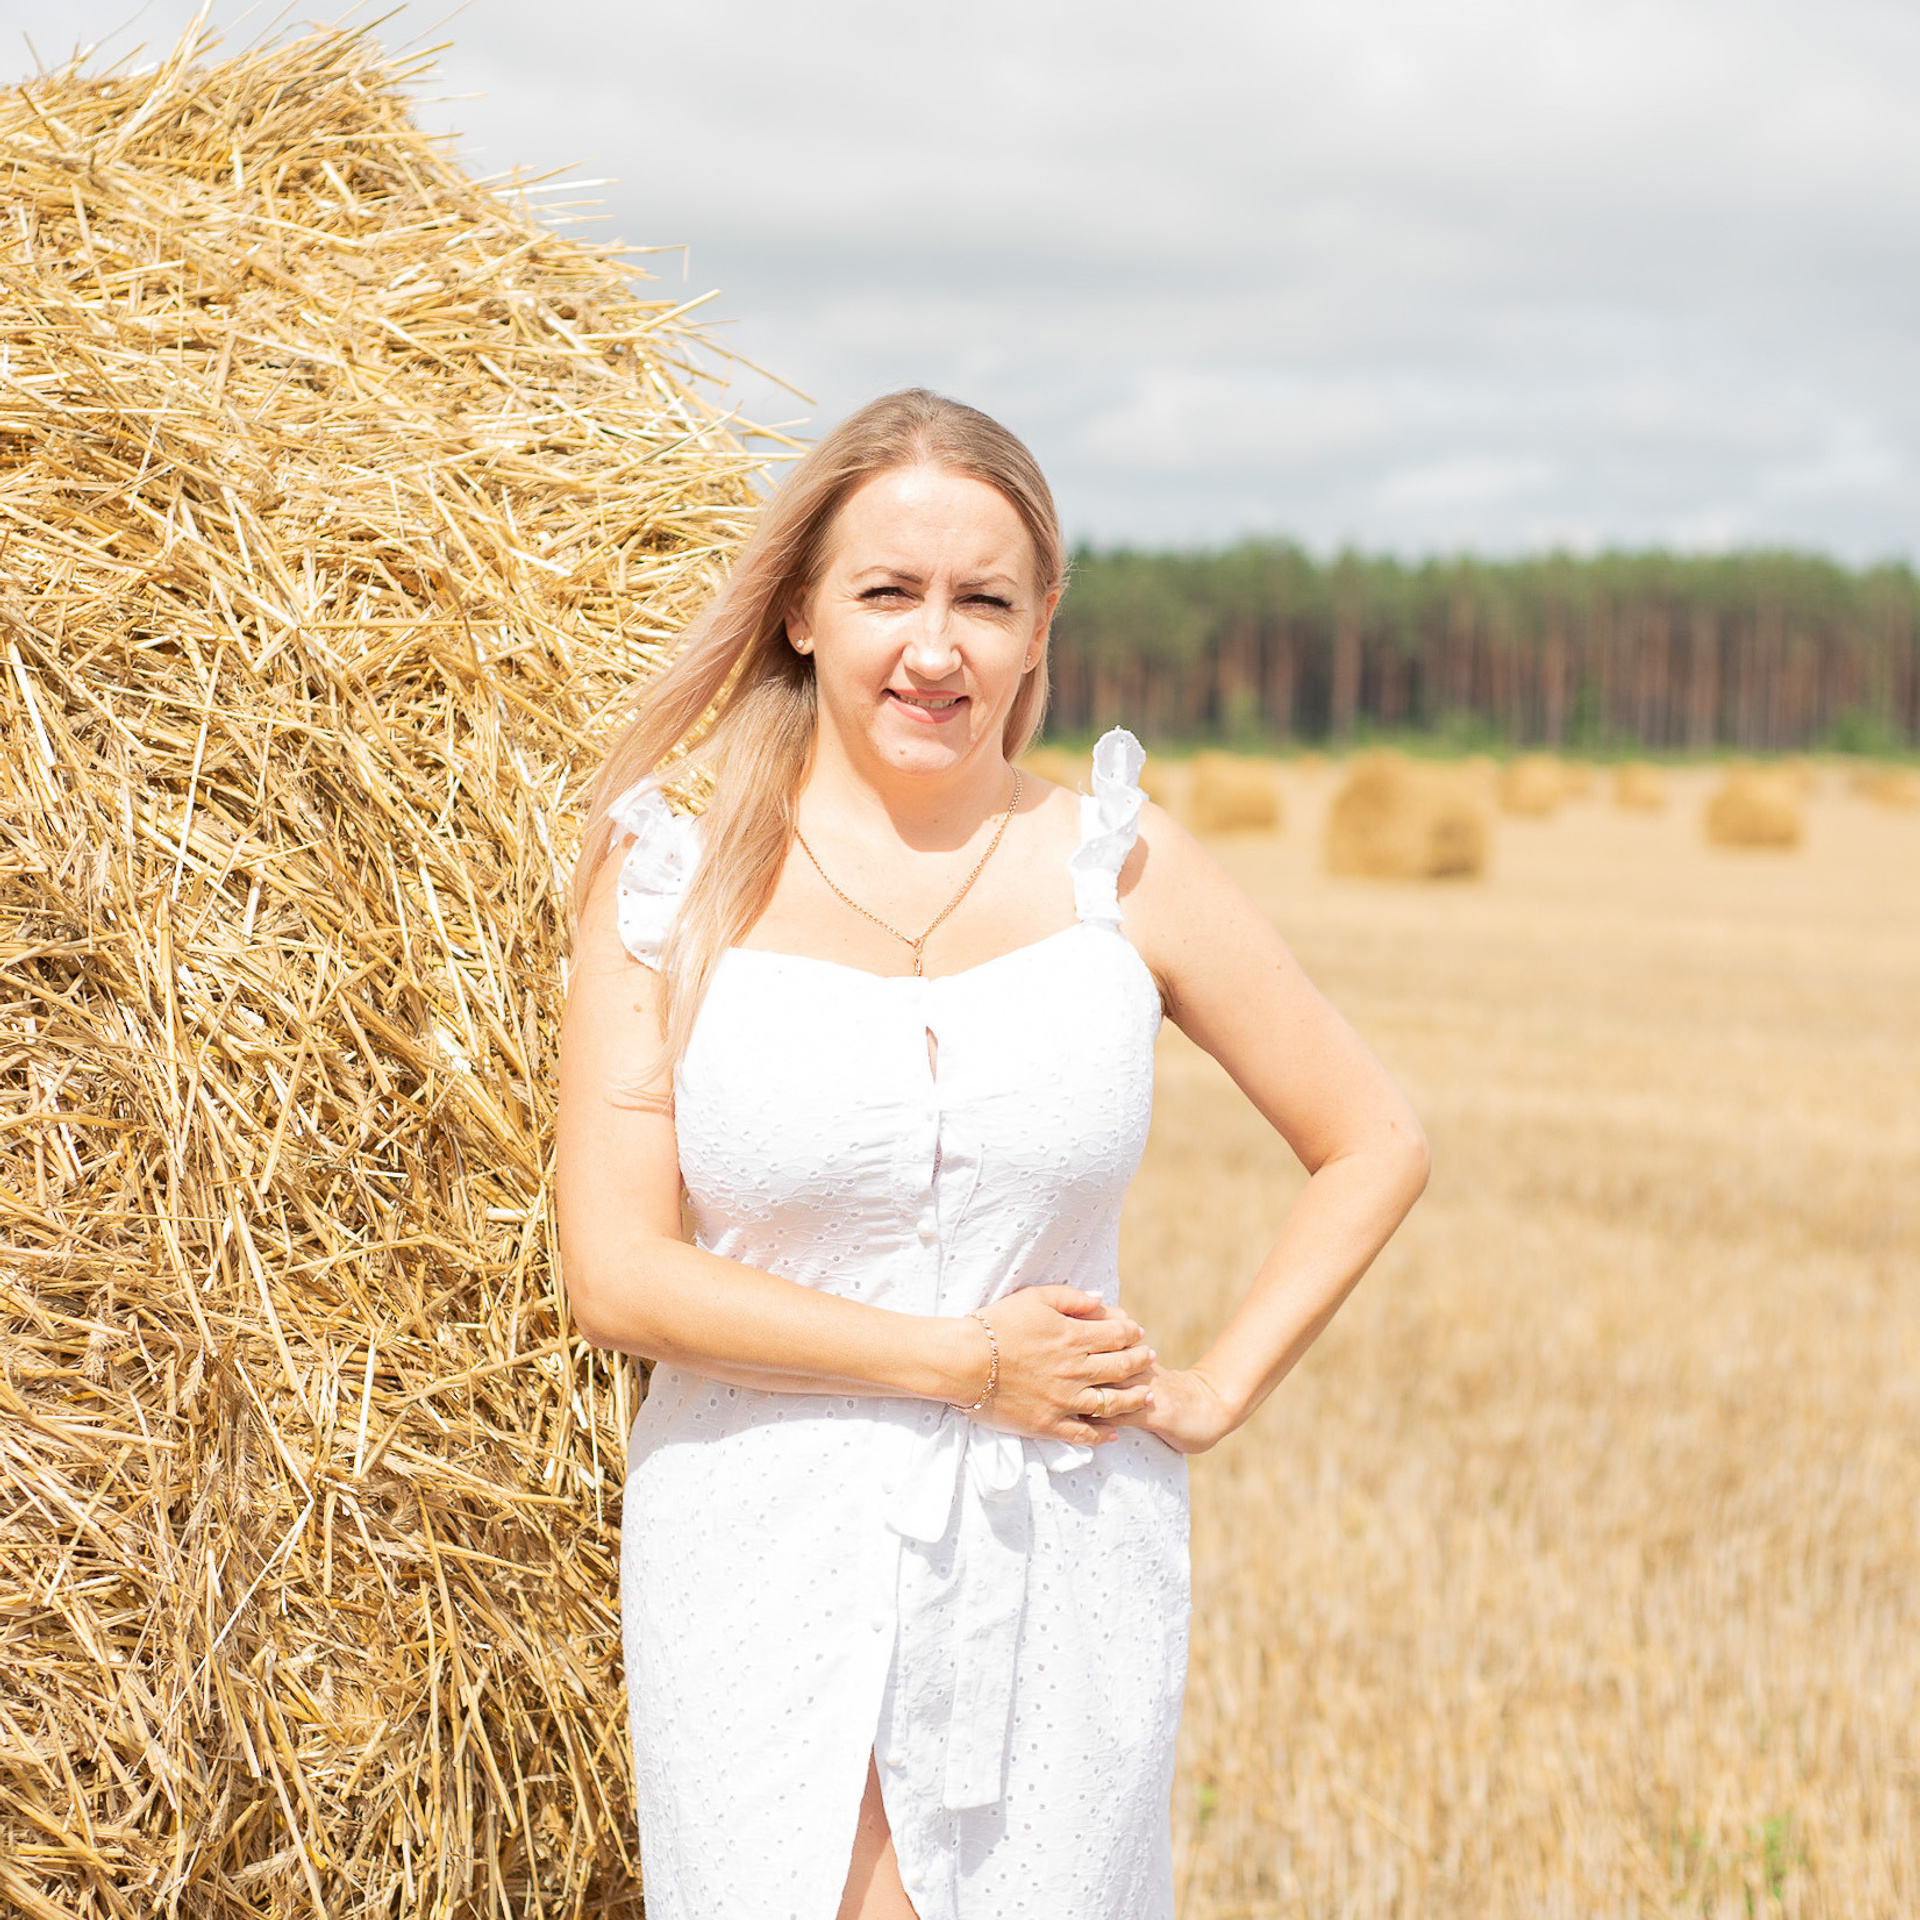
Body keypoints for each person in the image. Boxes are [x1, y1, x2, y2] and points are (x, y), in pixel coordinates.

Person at [555, 389, 1429, 1920]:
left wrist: (1212, 1394)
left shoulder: (1120, 866)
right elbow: (617, 1275)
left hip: (1062, 1552)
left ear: (1040, 633)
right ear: (803, 614)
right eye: (888, 592)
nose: (935, 647)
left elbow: (1373, 1140)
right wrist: (966, 1361)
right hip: (764, 1544)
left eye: (985, 600)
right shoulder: (666, 887)